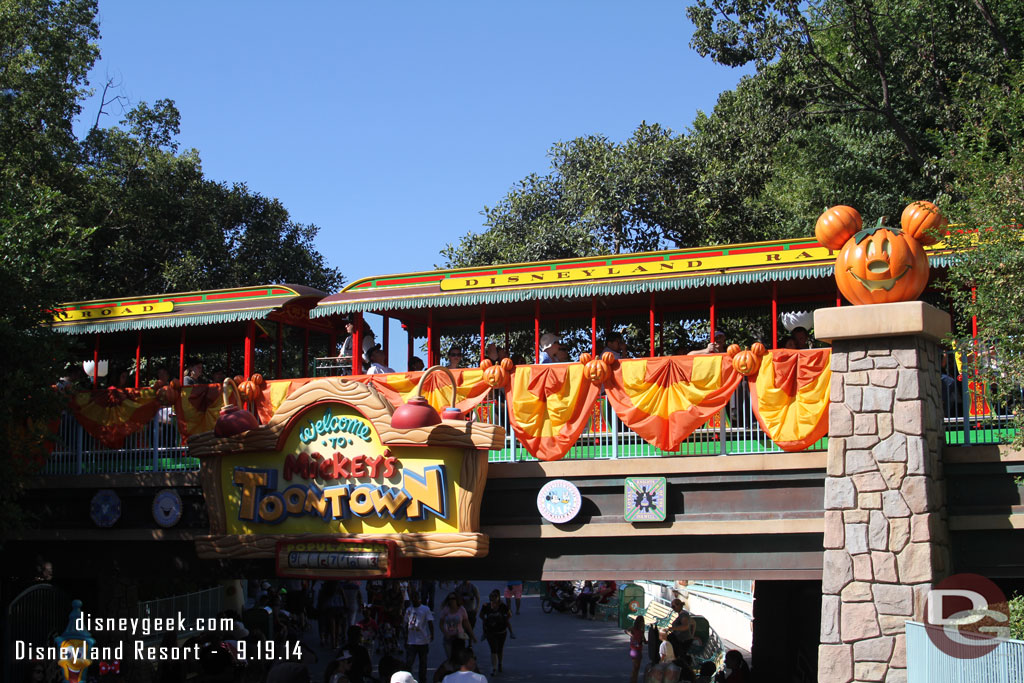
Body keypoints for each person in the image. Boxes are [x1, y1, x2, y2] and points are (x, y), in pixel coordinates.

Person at [478, 589, 512, 676]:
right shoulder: (486, 606)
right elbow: (481, 615)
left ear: (498, 597)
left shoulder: (503, 606)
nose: (492, 598)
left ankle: (500, 663)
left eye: (494, 596)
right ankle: (494, 668)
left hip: (501, 631)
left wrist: (504, 620)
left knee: (500, 649)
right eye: (491, 596)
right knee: (493, 649)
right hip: (491, 632)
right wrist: (486, 620)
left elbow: (509, 614)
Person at [404, 591, 433, 683]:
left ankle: (422, 680)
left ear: (419, 598)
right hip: (411, 641)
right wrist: (405, 638)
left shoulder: (425, 609)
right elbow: (405, 624)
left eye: (416, 597)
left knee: (423, 663)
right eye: (413, 598)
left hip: (423, 641)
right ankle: (408, 679)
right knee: (409, 662)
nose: (414, 600)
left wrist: (432, 633)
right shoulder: (409, 610)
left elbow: (430, 622)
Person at [438, 592, 475, 660]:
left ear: (457, 599)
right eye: (450, 598)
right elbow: (441, 624)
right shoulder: (446, 610)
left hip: (459, 638)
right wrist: (445, 633)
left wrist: (472, 636)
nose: (451, 600)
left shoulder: (462, 610)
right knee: (450, 658)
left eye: (453, 598)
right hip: (448, 638)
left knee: (459, 658)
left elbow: (467, 624)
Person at [667, 599, 696, 665]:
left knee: (681, 659)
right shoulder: (682, 614)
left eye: (673, 607)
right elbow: (693, 623)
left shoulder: (684, 615)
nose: (673, 609)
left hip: (682, 641)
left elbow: (685, 626)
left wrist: (673, 628)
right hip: (683, 640)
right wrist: (692, 635)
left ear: (679, 606)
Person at [626, 615, 645, 683]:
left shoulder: (641, 630)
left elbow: (644, 640)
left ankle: (634, 680)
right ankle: (633, 680)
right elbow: (626, 631)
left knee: (636, 667)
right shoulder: (634, 629)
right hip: (634, 650)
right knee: (635, 667)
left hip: (638, 649)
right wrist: (632, 635)